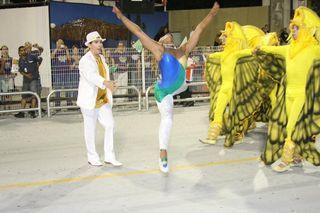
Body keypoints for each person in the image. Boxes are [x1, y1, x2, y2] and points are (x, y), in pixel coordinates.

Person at [112, 1, 219, 173]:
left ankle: (181, 91)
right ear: (161, 40)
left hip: (180, 86)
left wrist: (212, 13)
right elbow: (137, 31)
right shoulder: (159, 50)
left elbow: (199, 29)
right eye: (165, 35)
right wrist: (121, 16)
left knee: (181, 86)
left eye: (170, 35)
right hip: (164, 91)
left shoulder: (184, 49)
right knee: (168, 119)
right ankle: (163, 152)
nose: (168, 35)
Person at [255, 7, 320, 172]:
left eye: (297, 27)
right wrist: (260, 49)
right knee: (291, 127)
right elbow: (275, 49)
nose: (293, 30)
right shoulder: (289, 48)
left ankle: (287, 159)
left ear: (306, 29)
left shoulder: (314, 50)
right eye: (293, 27)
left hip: (303, 96)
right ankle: (298, 156)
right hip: (288, 94)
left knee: (291, 127)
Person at [77, 31, 122, 167]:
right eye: (96, 42)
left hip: (103, 99)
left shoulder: (102, 58)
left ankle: (109, 156)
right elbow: (91, 76)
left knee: (110, 125)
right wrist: (106, 83)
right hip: (89, 101)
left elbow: (104, 75)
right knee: (90, 129)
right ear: (89, 45)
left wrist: (111, 84)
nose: (99, 44)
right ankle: (92, 156)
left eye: (100, 42)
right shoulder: (85, 60)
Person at [14, 43, 42, 118]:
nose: (23, 51)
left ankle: (32, 111)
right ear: (19, 52)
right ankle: (22, 112)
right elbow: (20, 70)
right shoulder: (20, 60)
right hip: (26, 80)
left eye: (24, 50)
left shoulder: (32, 56)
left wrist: (37, 67)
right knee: (24, 96)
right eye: (21, 50)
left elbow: (40, 59)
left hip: (34, 79)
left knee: (33, 95)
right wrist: (26, 75)